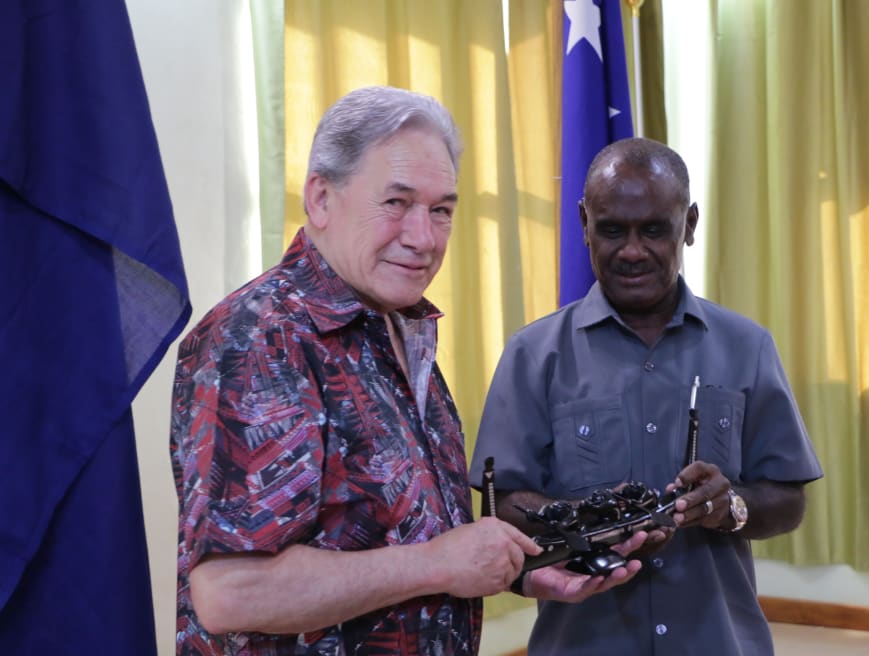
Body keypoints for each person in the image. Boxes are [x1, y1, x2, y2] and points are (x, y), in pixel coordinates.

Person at [169, 86, 640, 656]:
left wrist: (518, 571)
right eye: (396, 203)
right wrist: (434, 565)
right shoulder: (259, 336)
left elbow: (398, 538)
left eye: (441, 210)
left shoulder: (398, 326)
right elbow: (230, 593)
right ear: (320, 198)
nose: (424, 239)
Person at [469, 137, 824, 655]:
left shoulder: (748, 346)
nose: (632, 251)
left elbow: (788, 500)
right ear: (584, 224)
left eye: (655, 230)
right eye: (613, 230)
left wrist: (731, 507)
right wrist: (591, 519)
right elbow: (504, 506)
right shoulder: (532, 355)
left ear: (691, 225)